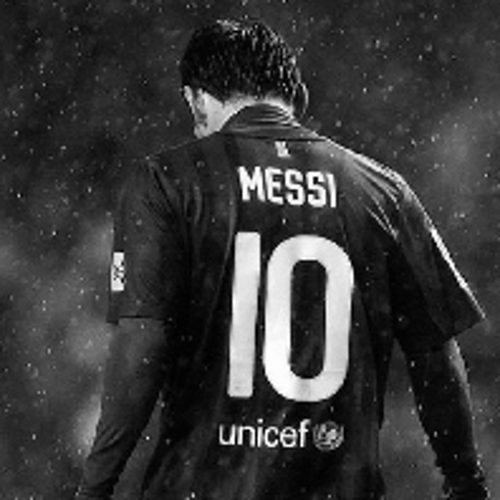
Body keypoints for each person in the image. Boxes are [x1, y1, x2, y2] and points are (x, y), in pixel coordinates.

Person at [76, 19, 489, 500]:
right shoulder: (383, 192)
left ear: (197, 100)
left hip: (202, 486)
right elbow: (434, 352)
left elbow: (143, 342)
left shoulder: (168, 181)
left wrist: (96, 486)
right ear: (296, 97)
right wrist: (466, 483)